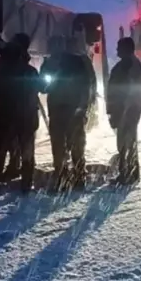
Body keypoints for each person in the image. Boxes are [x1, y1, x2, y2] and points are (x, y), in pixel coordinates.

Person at [0, 33, 44, 192]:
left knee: (0, 148)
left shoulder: (3, 71)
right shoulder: (31, 71)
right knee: (27, 151)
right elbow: (43, 88)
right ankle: (26, 183)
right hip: (28, 117)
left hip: (6, 116)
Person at [42, 35, 96, 192]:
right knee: (76, 145)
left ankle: (62, 178)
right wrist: (83, 107)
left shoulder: (52, 63)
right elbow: (87, 86)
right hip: (73, 111)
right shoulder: (79, 62)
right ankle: (78, 177)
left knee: (59, 146)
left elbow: (43, 86)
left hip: (60, 110)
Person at [106, 37, 141, 185]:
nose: (116, 50)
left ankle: (127, 174)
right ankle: (130, 173)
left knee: (125, 142)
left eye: (119, 47)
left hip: (126, 109)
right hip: (127, 108)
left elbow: (128, 89)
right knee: (127, 141)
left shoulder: (129, 64)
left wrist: (122, 110)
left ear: (126, 48)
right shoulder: (130, 63)